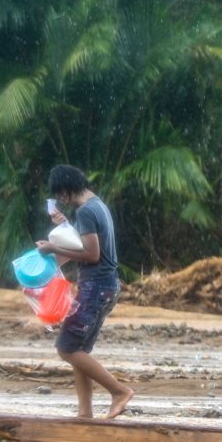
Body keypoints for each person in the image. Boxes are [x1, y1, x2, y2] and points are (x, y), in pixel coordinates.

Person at [35, 165, 134, 419]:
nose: (61, 200)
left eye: (61, 194)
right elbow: (87, 244)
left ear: (67, 189)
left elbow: (92, 254)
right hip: (106, 286)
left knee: (66, 348)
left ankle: (119, 391)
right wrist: (66, 226)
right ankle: (84, 413)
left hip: (96, 287)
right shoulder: (96, 205)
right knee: (78, 349)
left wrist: (53, 248)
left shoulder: (86, 211)